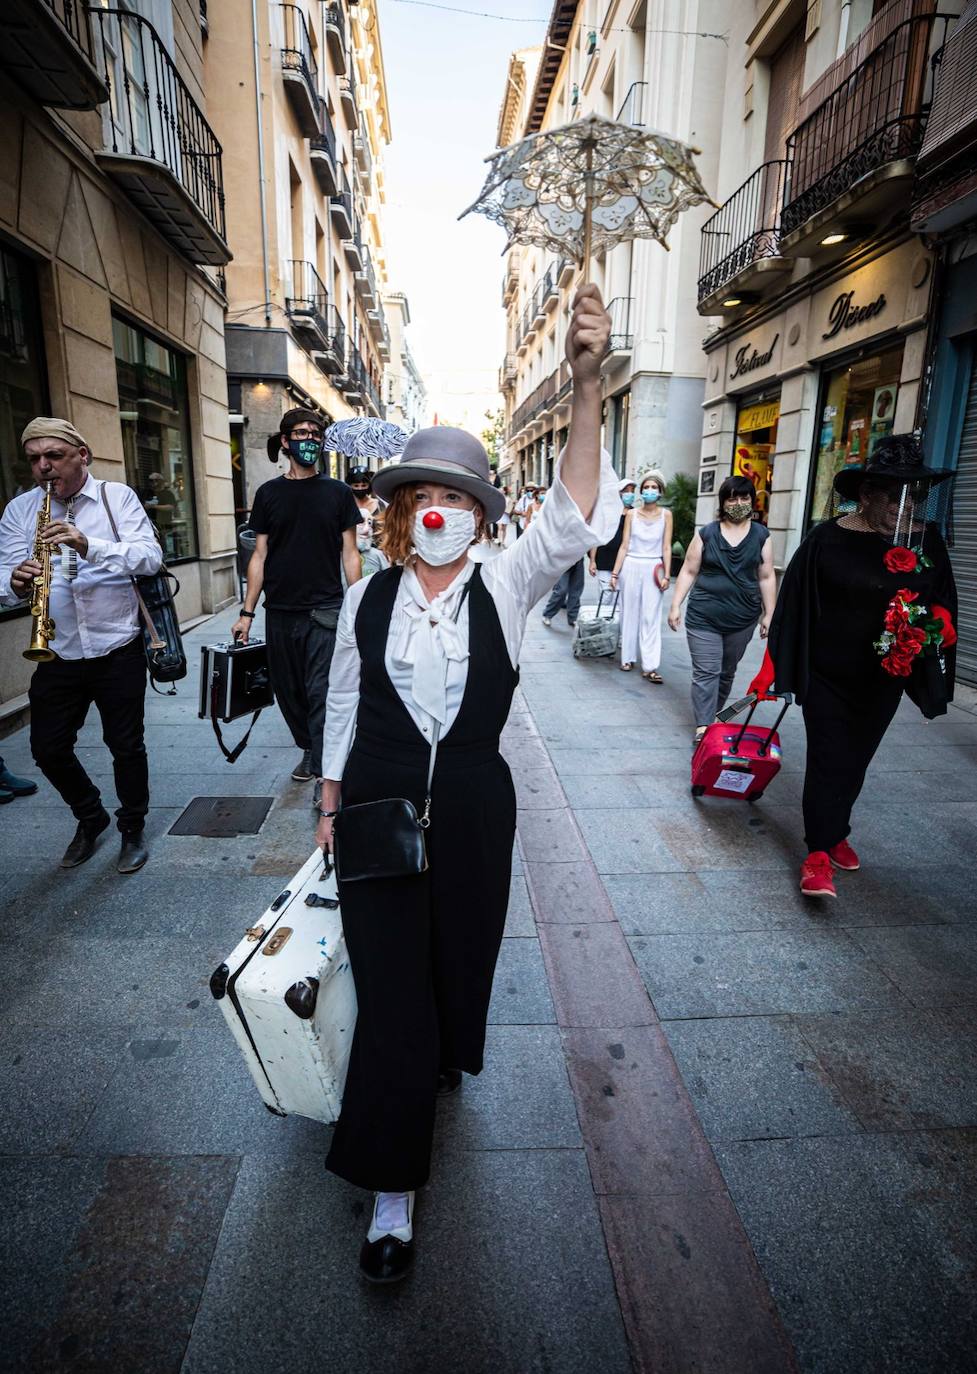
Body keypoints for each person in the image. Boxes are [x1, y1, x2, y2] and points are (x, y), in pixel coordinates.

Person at [315, 286, 617, 1283]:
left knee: (456, 965)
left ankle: (442, 1052)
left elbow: (574, 514)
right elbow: (343, 706)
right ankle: (391, 1193)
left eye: (458, 497)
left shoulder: (507, 579)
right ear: (401, 510)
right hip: (376, 809)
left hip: (479, 807)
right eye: (420, 497)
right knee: (394, 995)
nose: (438, 511)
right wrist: (327, 801)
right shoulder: (368, 597)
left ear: (482, 512)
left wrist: (584, 390)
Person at [759, 435, 957, 900]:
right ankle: (817, 854)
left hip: (886, 676)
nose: (905, 507)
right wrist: (776, 670)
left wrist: (936, 625)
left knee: (857, 758)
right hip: (827, 674)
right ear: (866, 494)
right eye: (894, 495)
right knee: (830, 757)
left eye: (915, 496)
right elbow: (795, 606)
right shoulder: (827, 538)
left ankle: (837, 829)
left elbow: (942, 596)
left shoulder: (927, 539)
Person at [0, 417, 162, 872]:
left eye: (54, 456)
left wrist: (89, 544)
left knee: (126, 745)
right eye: (34, 459)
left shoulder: (117, 497)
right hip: (58, 650)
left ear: (82, 455)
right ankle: (91, 817)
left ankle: (132, 828)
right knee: (47, 748)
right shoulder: (20, 511)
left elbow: (149, 557)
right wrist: (14, 581)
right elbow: (3, 578)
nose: (43, 467)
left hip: (117, 645)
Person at [233, 410, 362, 784]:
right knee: (289, 692)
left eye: (315, 433)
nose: (310, 439)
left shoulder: (338, 492)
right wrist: (246, 612)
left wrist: (356, 605)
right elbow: (259, 554)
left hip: (325, 610)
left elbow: (350, 552)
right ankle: (309, 747)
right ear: (285, 442)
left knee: (321, 690)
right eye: (301, 433)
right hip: (280, 612)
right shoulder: (269, 494)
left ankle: (326, 772)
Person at [668, 475, 775, 744]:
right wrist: (675, 605)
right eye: (732, 498)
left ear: (752, 500)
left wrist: (769, 613)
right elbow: (689, 570)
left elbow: (766, 576)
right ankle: (704, 725)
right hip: (704, 615)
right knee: (707, 672)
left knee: (726, 672)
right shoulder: (707, 533)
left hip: (743, 617)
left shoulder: (762, 535)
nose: (738, 503)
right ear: (723, 502)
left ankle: (715, 714)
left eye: (744, 498)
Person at [610, 470, 673, 681]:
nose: (649, 491)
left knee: (651, 616)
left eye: (654, 487)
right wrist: (615, 573)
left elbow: (666, 547)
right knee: (629, 612)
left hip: (654, 567)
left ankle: (650, 665)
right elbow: (624, 545)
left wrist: (667, 575)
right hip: (631, 565)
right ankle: (627, 658)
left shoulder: (666, 515)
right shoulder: (631, 514)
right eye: (646, 487)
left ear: (660, 491)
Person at [588, 477, 636, 593]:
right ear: (618, 493)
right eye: (625, 491)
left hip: (625, 562)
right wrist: (592, 561)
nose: (629, 494)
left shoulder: (635, 514)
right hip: (605, 559)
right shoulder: (608, 511)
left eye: (632, 491)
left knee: (619, 598)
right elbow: (597, 536)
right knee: (606, 596)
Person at [347, 466, 387, 577]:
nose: (360, 488)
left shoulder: (378, 505)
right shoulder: (346, 505)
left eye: (363, 485)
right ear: (350, 485)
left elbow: (385, 530)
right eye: (356, 486)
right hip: (350, 552)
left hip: (375, 553)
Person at [541, 555, 584, 629]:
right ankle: (547, 614)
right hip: (562, 559)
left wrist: (592, 561)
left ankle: (573, 617)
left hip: (578, 559)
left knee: (576, 590)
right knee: (561, 590)